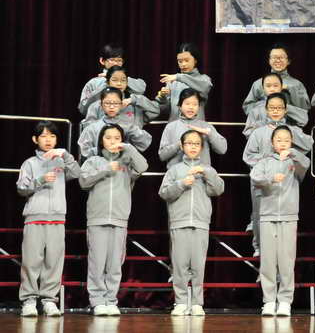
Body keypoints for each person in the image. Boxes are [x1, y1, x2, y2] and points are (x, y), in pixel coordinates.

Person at [79, 123, 148, 316]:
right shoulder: (93, 161)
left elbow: (143, 166)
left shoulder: (127, 161)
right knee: (97, 262)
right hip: (97, 218)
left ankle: (110, 300)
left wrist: (129, 148)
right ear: (101, 140)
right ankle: (97, 301)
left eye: (117, 138)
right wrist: (105, 170)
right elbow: (83, 182)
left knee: (115, 263)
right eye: (108, 137)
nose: (113, 141)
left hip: (119, 217)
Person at [17, 121, 81, 317]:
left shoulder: (61, 161)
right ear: (35, 139)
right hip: (34, 217)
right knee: (31, 261)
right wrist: (41, 179)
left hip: (57, 218)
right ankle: (29, 301)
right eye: (44, 136)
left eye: (52, 136)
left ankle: (49, 301)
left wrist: (66, 155)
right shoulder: (29, 163)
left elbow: (78, 174)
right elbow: (22, 188)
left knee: (54, 262)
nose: (48, 140)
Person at [159, 130, 225, 316]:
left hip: (200, 222)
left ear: (202, 147)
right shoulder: (174, 170)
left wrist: (206, 173)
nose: (193, 147)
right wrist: (181, 184)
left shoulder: (208, 169)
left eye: (197, 144)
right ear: (182, 146)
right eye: (189, 143)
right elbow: (164, 193)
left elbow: (218, 190)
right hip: (179, 222)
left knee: (198, 266)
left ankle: (197, 303)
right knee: (179, 265)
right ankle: (180, 302)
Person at [243, 93, 314, 256]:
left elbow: (309, 143)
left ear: (285, 109)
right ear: (266, 109)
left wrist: (291, 143)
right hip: (263, 181)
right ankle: (259, 247)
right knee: (259, 213)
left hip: (286, 181)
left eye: (279, 108)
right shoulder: (258, 132)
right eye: (272, 108)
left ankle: (281, 256)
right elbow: (248, 156)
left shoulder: (290, 130)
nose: (275, 111)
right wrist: (268, 161)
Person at [250, 126, 310, 317]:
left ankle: (285, 301)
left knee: (286, 260)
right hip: (267, 215)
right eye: (279, 140)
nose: (283, 143)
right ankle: (269, 300)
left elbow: (306, 164)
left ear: (291, 142)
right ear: (272, 142)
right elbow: (255, 178)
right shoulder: (265, 161)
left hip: (289, 215)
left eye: (286, 140)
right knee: (268, 261)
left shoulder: (295, 161)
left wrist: (293, 153)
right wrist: (271, 178)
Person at [159, 89, 227, 168]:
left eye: (195, 104)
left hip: (201, 174)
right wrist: (179, 144)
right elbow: (162, 156)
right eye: (187, 104)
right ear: (180, 106)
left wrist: (209, 134)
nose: (191, 107)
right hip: (177, 174)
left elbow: (222, 150)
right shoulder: (171, 127)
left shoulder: (206, 126)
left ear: (199, 107)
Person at [78, 88, 152, 159]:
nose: (112, 107)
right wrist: (103, 150)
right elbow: (85, 152)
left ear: (121, 104)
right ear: (101, 104)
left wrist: (131, 131)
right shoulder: (92, 128)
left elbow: (144, 144)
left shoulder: (128, 126)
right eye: (107, 103)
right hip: (99, 165)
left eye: (116, 103)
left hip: (123, 165)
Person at [82, 66, 159, 133]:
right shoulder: (96, 105)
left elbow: (155, 111)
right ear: (107, 82)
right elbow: (88, 131)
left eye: (123, 80)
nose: (119, 83)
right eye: (114, 80)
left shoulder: (134, 104)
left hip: (131, 144)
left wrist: (134, 100)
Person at [78, 44, 146, 116]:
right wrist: (105, 83)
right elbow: (83, 109)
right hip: (100, 120)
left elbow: (141, 90)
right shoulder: (93, 83)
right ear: (102, 61)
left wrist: (118, 77)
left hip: (125, 119)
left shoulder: (127, 80)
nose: (116, 63)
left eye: (119, 60)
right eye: (112, 60)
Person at [242, 44, 311, 113]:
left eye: (281, 57)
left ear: (288, 61)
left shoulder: (297, 84)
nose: (278, 60)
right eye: (274, 57)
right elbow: (247, 107)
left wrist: (290, 89)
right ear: (269, 60)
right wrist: (265, 105)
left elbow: (305, 109)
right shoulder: (258, 83)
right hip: (264, 120)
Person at [157, 42, 213, 121]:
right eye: (180, 61)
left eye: (187, 60)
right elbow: (166, 110)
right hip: (175, 126)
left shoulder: (204, 79)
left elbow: (205, 87)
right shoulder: (173, 81)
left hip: (196, 127)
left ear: (195, 60)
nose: (183, 64)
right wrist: (162, 97)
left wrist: (179, 77)